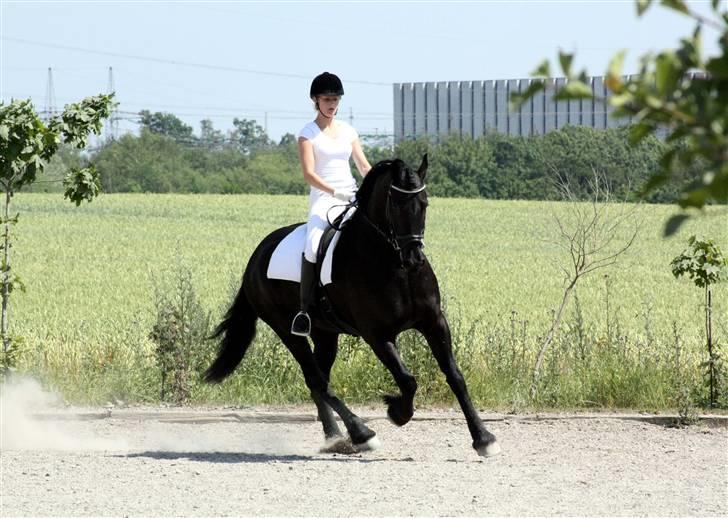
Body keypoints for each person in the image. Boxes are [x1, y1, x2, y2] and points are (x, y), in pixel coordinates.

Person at [291, 71, 372, 337]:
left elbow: (362, 164)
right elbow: (309, 174)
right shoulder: (308, 134)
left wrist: (376, 184)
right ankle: (304, 312)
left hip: (352, 195)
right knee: (313, 246)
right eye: (327, 98)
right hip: (325, 198)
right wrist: (335, 192)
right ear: (316, 100)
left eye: (335, 99)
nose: (332, 104)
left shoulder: (348, 131)